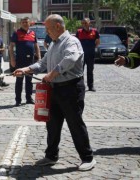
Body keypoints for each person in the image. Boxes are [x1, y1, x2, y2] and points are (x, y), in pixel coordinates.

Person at [13, 14, 96, 171]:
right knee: (52, 124)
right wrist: (26, 69)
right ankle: (51, 156)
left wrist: (52, 74)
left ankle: (88, 158)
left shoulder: (71, 41)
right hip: (55, 89)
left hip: (71, 89)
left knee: (75, 124)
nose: (46, 32)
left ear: (58, 26)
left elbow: (70, 60)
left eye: (48, 28)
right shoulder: (53, 43)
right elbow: (43, 63)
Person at [9, 17, 41, 106]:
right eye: (23, 22)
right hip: (20, 61)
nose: (24, 24)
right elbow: (11, 47)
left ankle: (29, 98)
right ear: (20, 23)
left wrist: (39, 57)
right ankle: (18, 100)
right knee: (19, 81)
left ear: (29, 23)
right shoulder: (16, 33)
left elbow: (36, 46)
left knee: (29, 81)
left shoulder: (33, 33)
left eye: (26, 22)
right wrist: (12, 59)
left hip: (30, 61)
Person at [76, 17, 100, 92]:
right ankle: (81, 86)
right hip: (81, 55)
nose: (84, 25)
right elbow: (75, 42)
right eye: (82, 23)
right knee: (80, 71)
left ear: (89, 23)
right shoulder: (79, 32)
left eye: (85, 23)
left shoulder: (95, 31)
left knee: (90, 71)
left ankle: (91, 86)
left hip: (90, 55)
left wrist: (92, 47)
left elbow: (98, 42)